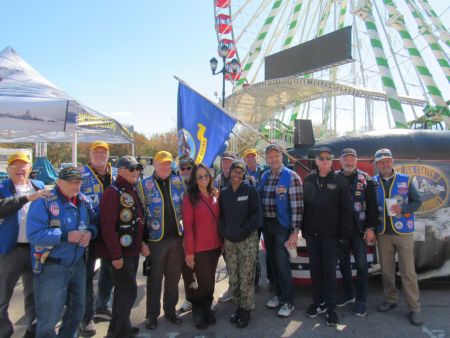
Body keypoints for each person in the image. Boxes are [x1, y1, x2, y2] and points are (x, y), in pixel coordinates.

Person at [27, 166, 97, 338]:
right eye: (71, 182)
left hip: (78, 265)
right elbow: (34, 234)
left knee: (77, 311)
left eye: (78, 182)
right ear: (59, 182)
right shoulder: (44, 201)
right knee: (49, 318)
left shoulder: (84, 201)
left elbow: (95, 222)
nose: (75, 186)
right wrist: (65, 236)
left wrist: (90, 232)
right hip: (52, 267)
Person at [0, 153, 50, 338]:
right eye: (14, 166)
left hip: (35, 249)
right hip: (9, 249)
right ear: (8, 170)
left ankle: (32, 329)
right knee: (2, 296)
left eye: (23, 166)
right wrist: (27, 198)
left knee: (34, 294)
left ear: (30, 168)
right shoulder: (2, 187)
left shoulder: (40, 186)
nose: (19, 169)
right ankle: (3, 332)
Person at [302, 146, 353, 326]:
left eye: (328, 158)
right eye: (321, 158)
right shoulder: (308, 179)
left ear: (332, 161)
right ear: (315, 161)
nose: (324, 161)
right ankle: (319, 302)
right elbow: (304, 208)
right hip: (312, 236)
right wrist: (304, 230)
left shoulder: (340, 182)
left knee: (330, 272)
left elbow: (347, 211)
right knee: (315, 271)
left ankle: (331, 308)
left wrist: (342, 236)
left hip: (331, 237)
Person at [99, 155, 149, 338]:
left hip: (132, 250)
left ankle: (116, 327)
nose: (136, 172)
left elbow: (137, 219)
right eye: (131, 169)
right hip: (121, 253)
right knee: (128, 291)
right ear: (120, 171)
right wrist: (116, 255)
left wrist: (142, 242)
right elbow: (107, 226)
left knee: (122, 292)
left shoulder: (131, 188)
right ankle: (122, 330)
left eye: (137, 169)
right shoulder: (113, 191)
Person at [373, 148, 423, 325]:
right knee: (386, 270)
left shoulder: (405, 179)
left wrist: (403, 209)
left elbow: (418, 201)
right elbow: (370, 208)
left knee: (408, 271)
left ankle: (414, 308)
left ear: (392, 161)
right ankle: (391, 300)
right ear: (377, 164)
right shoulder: (372, 182)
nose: (384, 164)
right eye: (381, 162)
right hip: (382, 233)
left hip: (403, 232)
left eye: (387, 161)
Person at [142, 151, 185, 330]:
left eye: (168, 163)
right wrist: (142, 243)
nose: (166, 166)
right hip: (155, 241)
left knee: (173, 279)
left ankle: (170, 310)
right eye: (162, 163)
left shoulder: (179, 181)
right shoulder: (144, 185)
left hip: (176, 239)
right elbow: (140, 215)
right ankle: (152, 315)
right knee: (154, 280)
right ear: (155, 164)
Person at [259, 144, 303, 318]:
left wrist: (294, 232)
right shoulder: (265, 176)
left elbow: (298, 207)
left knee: (282, 264)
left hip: (282, 226)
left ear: (281, 157)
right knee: (272, 262)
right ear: (267, 159)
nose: (273, 159)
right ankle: (279, 295)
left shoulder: (291, 177)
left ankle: (288, 301)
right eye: (269, 156)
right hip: (267, 225)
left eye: (276, 156)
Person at [219, 160, 262, 328]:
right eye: (234, 171)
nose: (237, 175)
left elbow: (257, 216)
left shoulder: (250, 191)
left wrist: (244, 231)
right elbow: (220, 216)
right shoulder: (224, 192)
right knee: (234, 276)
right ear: (229, 173)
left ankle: (246, 309)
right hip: (230, 241)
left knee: (246, 276)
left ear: (244, 174)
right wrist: (224, 231)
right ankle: (238, 306)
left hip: (247, 240)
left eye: (240, 172)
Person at [79, 140, 115, 336]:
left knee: (108, 272)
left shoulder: (116, 173)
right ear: (90, 155)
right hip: (88, 233)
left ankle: (103, 304)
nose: (100, 155)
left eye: (104, 152)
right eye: (96, 152)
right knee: (85, 276)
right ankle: (86, 316)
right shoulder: (81, 175)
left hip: (111, 233)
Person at [336, 148, 378, 316]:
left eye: (352, 158)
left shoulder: (365, 179)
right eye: (346, 159)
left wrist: (370, 227)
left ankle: (361, 300)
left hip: (359, 231)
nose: (349, 162)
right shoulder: (334, 178)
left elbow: (373, 206)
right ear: (340, 161)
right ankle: (348, 294)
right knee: (344, 264)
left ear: (356, 160)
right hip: (340, 231)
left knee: (361, 266)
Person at [182, 163, 222, 330]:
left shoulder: (214, 194)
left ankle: (207, 308)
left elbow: (219, 220)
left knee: (210, 280)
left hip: (215, 246)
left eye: (206, 175)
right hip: (199, 248)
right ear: (195, 180)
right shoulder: (190, 198)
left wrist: (223, 242)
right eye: (200, 176)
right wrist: (189, 252)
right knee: (202, 283)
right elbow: (188, 227)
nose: (204, 179)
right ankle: (197, 311)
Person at [241, 147, 268, 292]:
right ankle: (255, 281)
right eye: (248, 157)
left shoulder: (265, 171)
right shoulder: (241, 173)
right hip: (251, 218)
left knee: (270, 250)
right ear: (244, 160)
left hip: (267, 216)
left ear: (257, 158)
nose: (251, 159)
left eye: (253, 156)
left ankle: (272, 280)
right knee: (253, 251)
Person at [214, 151, 235, 303]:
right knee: (229, 260)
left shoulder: (244, 178)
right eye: (224, 162)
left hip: (239, 228)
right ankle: (233, 288)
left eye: (229, 162)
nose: (226, 164)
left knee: (241, 262)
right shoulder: (217, 180)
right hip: (222, 227)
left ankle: (242, 289)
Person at [176, 156, 196, 315]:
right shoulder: (175, 185)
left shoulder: (201, 183)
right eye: (183, 168)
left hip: (200, 233)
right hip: (182, 233)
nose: (186, 171)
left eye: (189, 168)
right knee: (186, 267)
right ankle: (190, 298)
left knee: (202, 268)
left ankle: (203, 298)